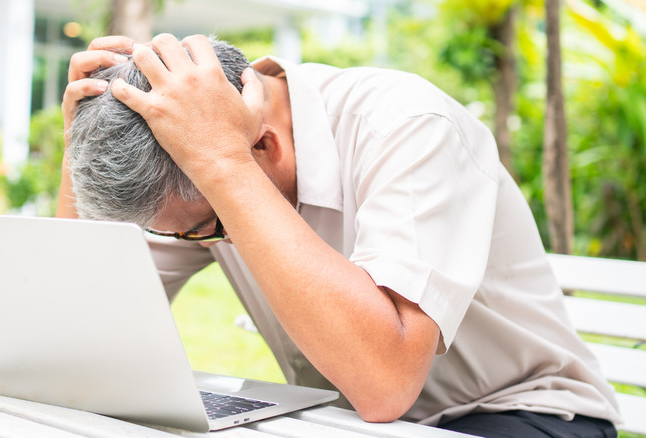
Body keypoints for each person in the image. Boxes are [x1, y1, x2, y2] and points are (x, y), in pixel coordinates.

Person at [57, 34, 620, 437]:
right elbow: (80, 329)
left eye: (208, 230)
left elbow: (383, 383)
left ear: (264, 146)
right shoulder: (194, 169)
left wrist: (224, 165)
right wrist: (81, 136)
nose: (212, 238)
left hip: (519, 414)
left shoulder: (406, 125)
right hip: (346, 422)